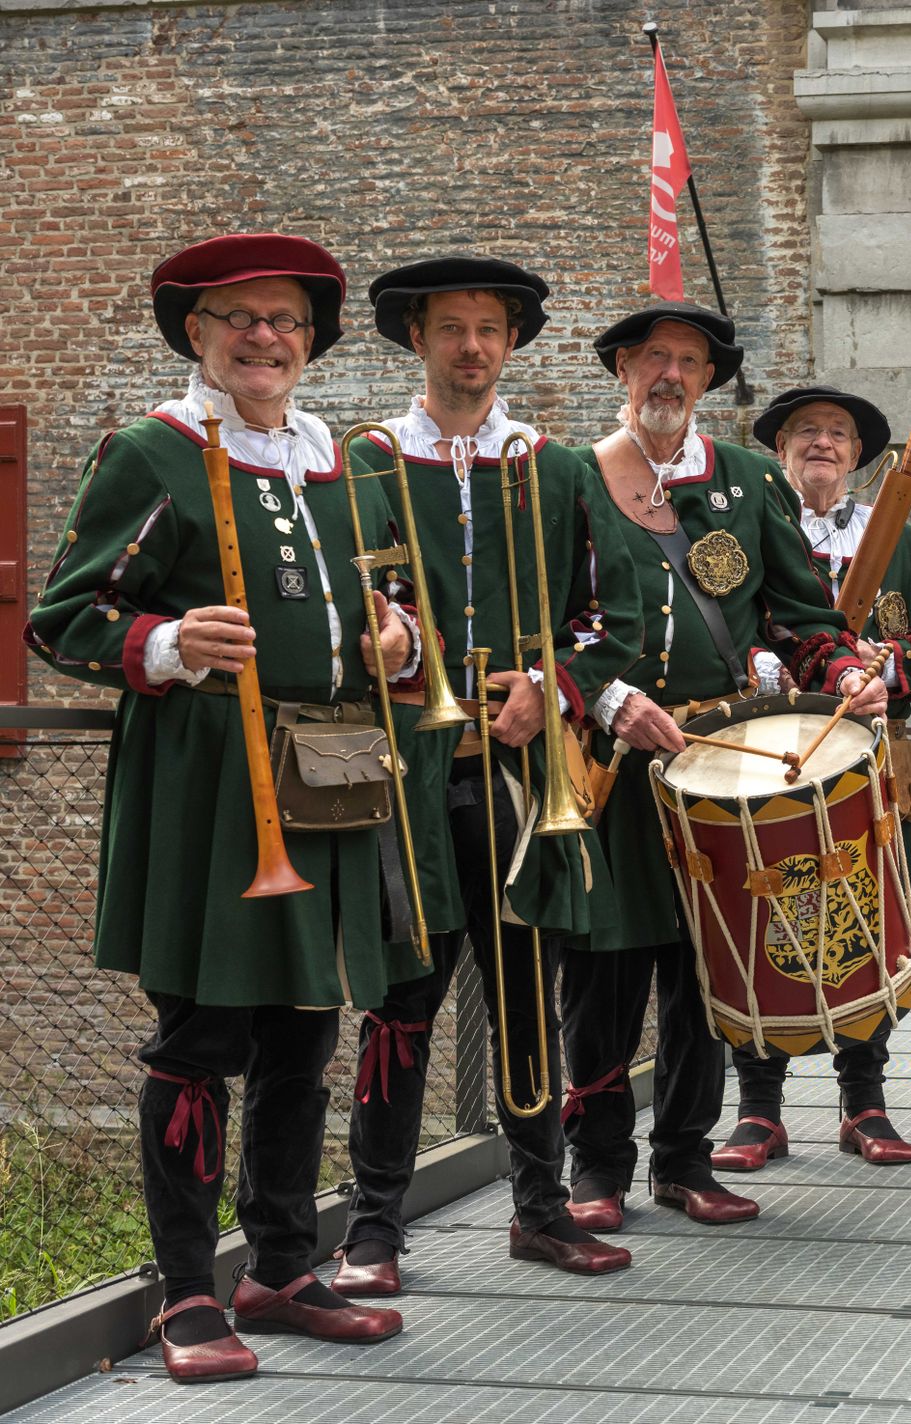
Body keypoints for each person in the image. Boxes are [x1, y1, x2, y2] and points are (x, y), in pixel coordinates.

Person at [26, 234, 408, 1381]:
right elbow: (64, 617)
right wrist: (168, 639)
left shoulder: (340, 465)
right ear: (197, 335)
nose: (264, 338)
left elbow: (385, 601)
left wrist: (395, 639)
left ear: (310, 341)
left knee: (304, 1028)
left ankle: (281, 1263)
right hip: (204, 785)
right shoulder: (154, 453)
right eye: (237, 318)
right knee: (200, 1038)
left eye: (285, 320)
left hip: (327, 777)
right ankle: (186, 1289)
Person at [332, 257, 640, 1295]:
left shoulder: (550, 468)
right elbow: (341, 611)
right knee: (402, 1003)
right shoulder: (362, 465)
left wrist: (547, 687)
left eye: (490, 329)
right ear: (416, 338)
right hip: (408, 778)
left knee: (524, 1000)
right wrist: (392, 645)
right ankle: (374, 1223)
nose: (472, 346)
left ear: (512, 343)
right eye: (453, 327)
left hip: (519, 777)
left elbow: (608, 619)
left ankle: (538, 1207)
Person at [560, 304, 887, 1228]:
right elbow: (544, 619)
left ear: (709, 380)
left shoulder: (746, 479)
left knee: (707, 972)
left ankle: (685, 1159)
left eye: (690, 362)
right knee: (605, 975)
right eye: (654, 358)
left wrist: (851, 670)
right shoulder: (573, 476)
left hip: (724, 766)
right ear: (622, 369)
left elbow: (805, 616)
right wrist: (610, 695)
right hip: (612, 770)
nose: (670, 375)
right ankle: (595, 1168)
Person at [708, 385, 911, 1171]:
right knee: (761, 917)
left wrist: (897, 672)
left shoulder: (900, 545)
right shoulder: (750, 526)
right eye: (805, 432)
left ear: (859, 457)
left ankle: (866, 1103)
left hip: (864, 761)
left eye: (838, 435)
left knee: (871, 918)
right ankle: (759, 1112)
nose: (822, 444)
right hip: (767, 755)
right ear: (779, 449)